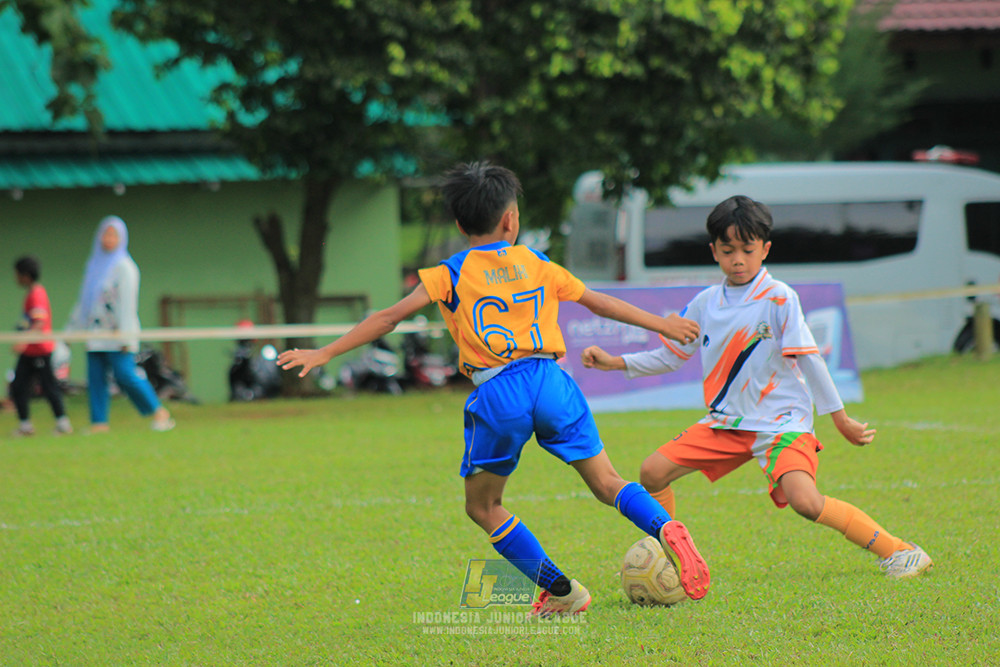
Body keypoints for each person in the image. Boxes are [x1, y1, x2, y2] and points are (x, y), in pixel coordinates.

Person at [278, 161, 711, 615]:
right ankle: (664, 527)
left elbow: (389, 318)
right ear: (512, 220)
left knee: (484, 507)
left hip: (500, 390)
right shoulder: (537, 262)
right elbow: (599, 302)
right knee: (607, 482)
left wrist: (324, 352)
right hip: (551, 380)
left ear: (461, 224)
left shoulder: (448, 273)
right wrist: (662, 323)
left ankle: (562, 592)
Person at [581, 195, 933, 579]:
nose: (738, 260)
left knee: (806, 502)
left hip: (782, 424)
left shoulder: (779, 297)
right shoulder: (704, 303)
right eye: (728, 250)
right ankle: (677, 560)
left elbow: (810, 360)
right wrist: (615, 363)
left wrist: (841, 418)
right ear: (713, 250)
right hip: (727, 424)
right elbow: (670, 357)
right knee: (652, 472)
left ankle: (900, 551)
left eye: (747, 250)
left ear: (764, 249)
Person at [69, 216, 174, 433]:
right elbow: (84, 302)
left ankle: (158, 411)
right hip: (94, 334)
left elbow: (127, 304)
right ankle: (99, 422)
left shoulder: (125, 267)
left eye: (113, 235)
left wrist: (126, 337)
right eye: (105, 234)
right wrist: (72, 331)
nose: (108, 239)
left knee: (125, 375)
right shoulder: (93, 266)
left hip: (117, 335)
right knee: (96, 379)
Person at [10, 256, 73, 436]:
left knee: (49, 386)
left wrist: (23, 341)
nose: (16, 278)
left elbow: (39, 322)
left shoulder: (37, 294)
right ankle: (25, 426)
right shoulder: (30, 293)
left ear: (26, 275)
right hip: (30, 351)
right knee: (18, 386)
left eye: (17, 274)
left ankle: (63, 423)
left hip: (40, 350)